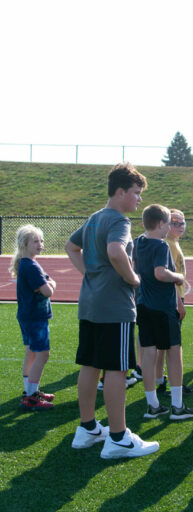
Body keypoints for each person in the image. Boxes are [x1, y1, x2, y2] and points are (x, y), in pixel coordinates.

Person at [65, 162, 159, 459]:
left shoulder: (94, 218)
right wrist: (134, 279)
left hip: (90, 303)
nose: (139, 199)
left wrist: (90, 275)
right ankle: (118, 437)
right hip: (114, 306)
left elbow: (71, 246)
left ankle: (88, 428)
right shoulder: (119, 220)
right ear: (120, 192)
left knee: (90, 365)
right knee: (117, 368)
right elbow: (116, 252)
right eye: (136, 192)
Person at [134, 204, 193, 421]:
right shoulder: (161, 245)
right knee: (173, 352)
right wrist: (178, 277)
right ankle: (177, 406)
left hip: (143, 304)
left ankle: (153, 405)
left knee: (148, 354)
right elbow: (160, 273)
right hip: (162, 306)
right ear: (161, 224)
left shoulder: (138, 242)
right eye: (169, 223)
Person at [10, 225, 56, 411]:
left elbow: (46, 284)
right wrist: (52, 284)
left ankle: (30, 391)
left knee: (31, 352)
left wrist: (49, 283)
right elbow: (48, 290)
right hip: (35, 318)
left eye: (41, 241)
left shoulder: (26, 263)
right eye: (35, 241)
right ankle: (31, 397)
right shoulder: (31, 266)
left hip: (27, 316)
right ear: (24, 244)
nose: (40, 244)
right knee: (43, 354)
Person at [162, 208, 193, 394]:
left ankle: (161, 380)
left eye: (182, 223)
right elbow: (171, 277)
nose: (180, 226)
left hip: (174, 298)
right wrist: (179, 303)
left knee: (164, 344)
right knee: (172, 345)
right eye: (175, 223)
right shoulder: (169, 245)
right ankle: (173, 385)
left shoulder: (174, 243)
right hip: (173, 299)